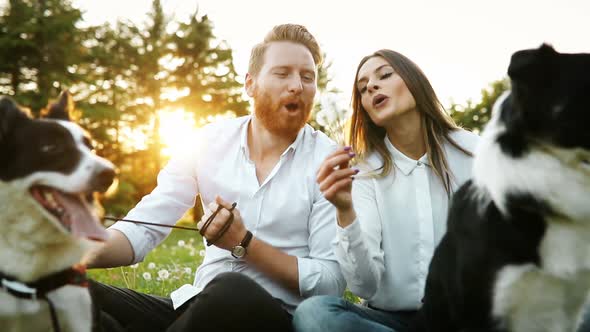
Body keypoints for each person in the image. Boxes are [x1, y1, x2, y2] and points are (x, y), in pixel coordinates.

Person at [88, 24, 345, 332]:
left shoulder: (329, 161)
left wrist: (244, 242)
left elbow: (330, 282)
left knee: (231, 290)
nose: (297, 86)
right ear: (250, 84)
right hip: (198, 307)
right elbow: (142, 227)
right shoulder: (208, 141)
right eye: (282, 73)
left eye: (307, 77)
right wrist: (67, 254)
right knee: (73, 291)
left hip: (274, 319)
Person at [292, 49, 480, 332]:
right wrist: (345, 211)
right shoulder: (365, 171)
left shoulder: (475, 153)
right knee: (314, 314)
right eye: (363, 88)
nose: (371, 87)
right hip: (393, 322)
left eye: (385, 75)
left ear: (415, 81)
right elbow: (365, 285)